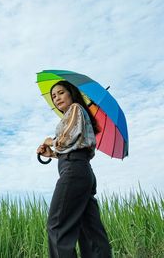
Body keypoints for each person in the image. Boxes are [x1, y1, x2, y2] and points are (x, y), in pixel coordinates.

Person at [36, 81, 112, 258]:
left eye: (61, 93)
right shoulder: (74, 115)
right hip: (82, 171)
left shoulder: (76, 109)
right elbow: (75, 148)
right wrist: (52, 154)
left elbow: (66, 139)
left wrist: (50, 142)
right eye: (54, 96)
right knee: (90, 231)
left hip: (74, 173)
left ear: (71, 94)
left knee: (57, 225)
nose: (56, 98)